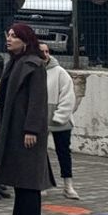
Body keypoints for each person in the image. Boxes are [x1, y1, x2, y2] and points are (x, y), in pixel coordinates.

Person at [0, 23, 55, 215]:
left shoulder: (33, 64)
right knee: (20, 180)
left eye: (14, 36)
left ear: (25, 40)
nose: (9, 39)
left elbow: (38, 101)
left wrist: (31, 129)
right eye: (8, 35)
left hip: (26, 131)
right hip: (14, 128)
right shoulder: (14, 62)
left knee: (29, 181)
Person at [40, 43, 79, 200]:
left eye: (47, 51)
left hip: (59, 120)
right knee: (40, 152)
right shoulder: (34, 71)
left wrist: (59, 117)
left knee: (63, 152)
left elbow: (68, 96)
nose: (45, 54)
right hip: (41, 119)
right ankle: (42, 183)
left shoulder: (60, 72)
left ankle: (68, 185)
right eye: (41, 51)